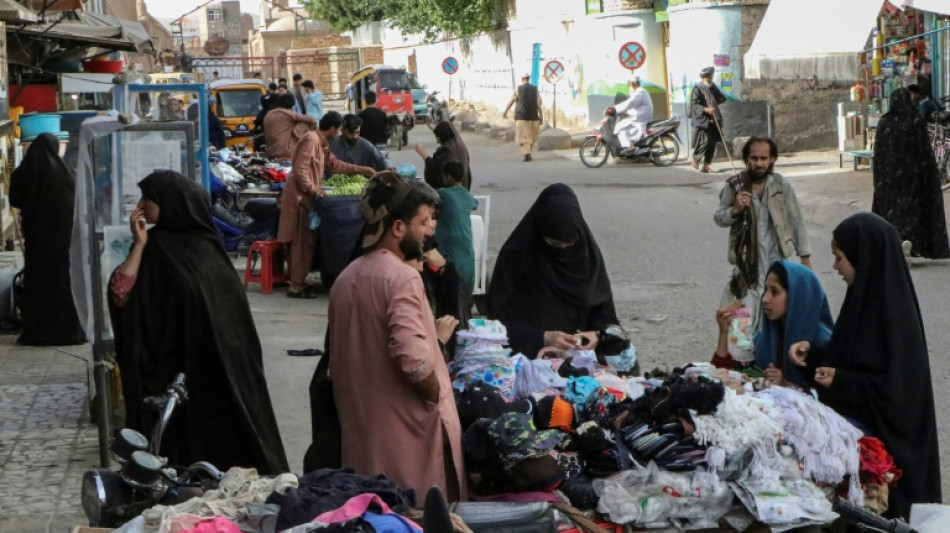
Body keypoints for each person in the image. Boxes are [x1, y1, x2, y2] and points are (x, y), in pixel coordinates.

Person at [108, 170, 288, 475]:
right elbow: (121, 295)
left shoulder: (208, 250)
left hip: (216, 370)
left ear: (170, 204)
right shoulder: (155, 249)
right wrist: (139, 244)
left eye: (147, 199)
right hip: (174, 371)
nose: (140, 205)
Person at [789, 212, 942, 520]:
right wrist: (814, 356)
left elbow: (897, 396)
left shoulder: (895, 320)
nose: (835, 267)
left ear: (864, 257)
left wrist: (842, 381)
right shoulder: (862, 301)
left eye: (839, 258)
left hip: (898, 463)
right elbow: (846, 358)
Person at [328, 172, 466, 500]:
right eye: (423, 222)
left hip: (364, 439)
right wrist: (434, 394)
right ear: (398, 228)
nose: (428, 231)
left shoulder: (346, 278)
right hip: (410, 440)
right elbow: (414, 362)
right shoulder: (403, 278)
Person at [487, 184, 618, 357]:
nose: (562, 251)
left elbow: (604, 313)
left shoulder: (587, 258)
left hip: (581, 361)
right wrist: (542, 337)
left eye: (568, 245)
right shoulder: (516, 258)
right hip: (528, 361)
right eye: (554, 244)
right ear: (539, 233)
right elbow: (497, 324)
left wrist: (597, 334)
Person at [714, 136, 811, 331]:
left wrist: (805, 257)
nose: (759, 163)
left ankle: (769, 357)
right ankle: (741, 359)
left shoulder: (781, 185)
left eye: (763, 158)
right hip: (746, 266)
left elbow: (796, 220)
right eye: (754, 158)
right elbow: (719, 218)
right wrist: (735, 209)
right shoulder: (735, 186)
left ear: (772, 159)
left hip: (775, 261)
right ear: (747, 160)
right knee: (742, 320)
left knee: (774, 316)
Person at [277, 112, 373, 298]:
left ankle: (298, 281)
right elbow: (300, 169)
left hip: (307, 198)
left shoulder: (321, 143)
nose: (338, 134)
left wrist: (359, 170)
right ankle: (296, 287)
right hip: (299, 198)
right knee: (301, 243)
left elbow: (333, 164)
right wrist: (314, 189)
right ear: (332, 129)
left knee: (307, 241)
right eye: (338, 130)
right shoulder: (311, 140)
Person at [9, 133, 86, 346]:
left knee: (38, 283)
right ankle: (68, 332)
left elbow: (15, 199)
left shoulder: (23, 174)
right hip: (64, 242)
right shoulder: (67, 175)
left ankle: (38, 332)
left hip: (37, 240)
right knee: (63, 284)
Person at [710, 260, 833, 391]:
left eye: (774, 292)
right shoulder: (766, 339)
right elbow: (721, 373)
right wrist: (724, 331)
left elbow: (827, 400)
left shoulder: (823, 344)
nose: (765, 299)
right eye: (766, 290)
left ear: (797, 297)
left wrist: (786, 385)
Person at [871, 88, 950, 260]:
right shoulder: (915, 120)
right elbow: (924, 151)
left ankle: (895, 242)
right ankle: (911, 243)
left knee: (892, 210)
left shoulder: (884, 121)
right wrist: (929, 175)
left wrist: (878, 178)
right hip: (912, 175)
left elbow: (878, 152)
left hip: (889, 177)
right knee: (911, 211)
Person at [434, 160, 477, 294]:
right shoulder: (467, 195)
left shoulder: (443, 194)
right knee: (465, 283)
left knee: (448, 281)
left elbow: (426, 195)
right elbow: (475, 204)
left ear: (449, 177)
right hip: (466, 246)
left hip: (448, 245)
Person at [416, 121, 472, 190]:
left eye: (437, 137)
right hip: (463, 190)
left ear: (443, 135)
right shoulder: (460, 146)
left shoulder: (447, 150)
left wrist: (424, 154)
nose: (437, 141)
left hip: (450, 193)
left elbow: (436, 174)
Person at [690, 66, 726, 173]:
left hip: (713, 119)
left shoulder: (712, 87)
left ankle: (706, 166)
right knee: (705, 141)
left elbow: (722, 98)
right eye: (709, 76)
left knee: (712, 142)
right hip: (703, 119)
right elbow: (694, 105)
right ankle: (695, 159)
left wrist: (714, 104)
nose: (710, 78)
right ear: (704, 77)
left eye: (711, 76)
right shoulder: (698, 88)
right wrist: (706, 109)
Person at [502, 73, 543, 162]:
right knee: (531, 136)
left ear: (522, 79)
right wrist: (541, 115)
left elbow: (511, 101)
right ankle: (528, 152)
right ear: (529, 78)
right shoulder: (535, 89)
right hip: (533, 116)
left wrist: (505, 111)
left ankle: (527, 154)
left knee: (523, 137)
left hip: (521, 117)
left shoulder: (518, 89)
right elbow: (539, 104)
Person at [264, 93, 316, 160]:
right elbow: (312, 120)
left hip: (270, 151)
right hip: (284, 152)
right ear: (292, 105)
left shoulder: (269, 114)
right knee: (304, 123)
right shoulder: (288, 113)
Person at [613, 76, 653, 153]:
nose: (628, 85)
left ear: (632, 83)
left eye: (629, 83)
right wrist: (625, 110)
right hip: (640, 116)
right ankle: (631, 146)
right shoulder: (639, 91)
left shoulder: (640, 92)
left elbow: (631, 103)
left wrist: (616, 108)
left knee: (619, 127)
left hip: (640, 117)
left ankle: (630, 146)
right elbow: (634, 105)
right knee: (623, 128)